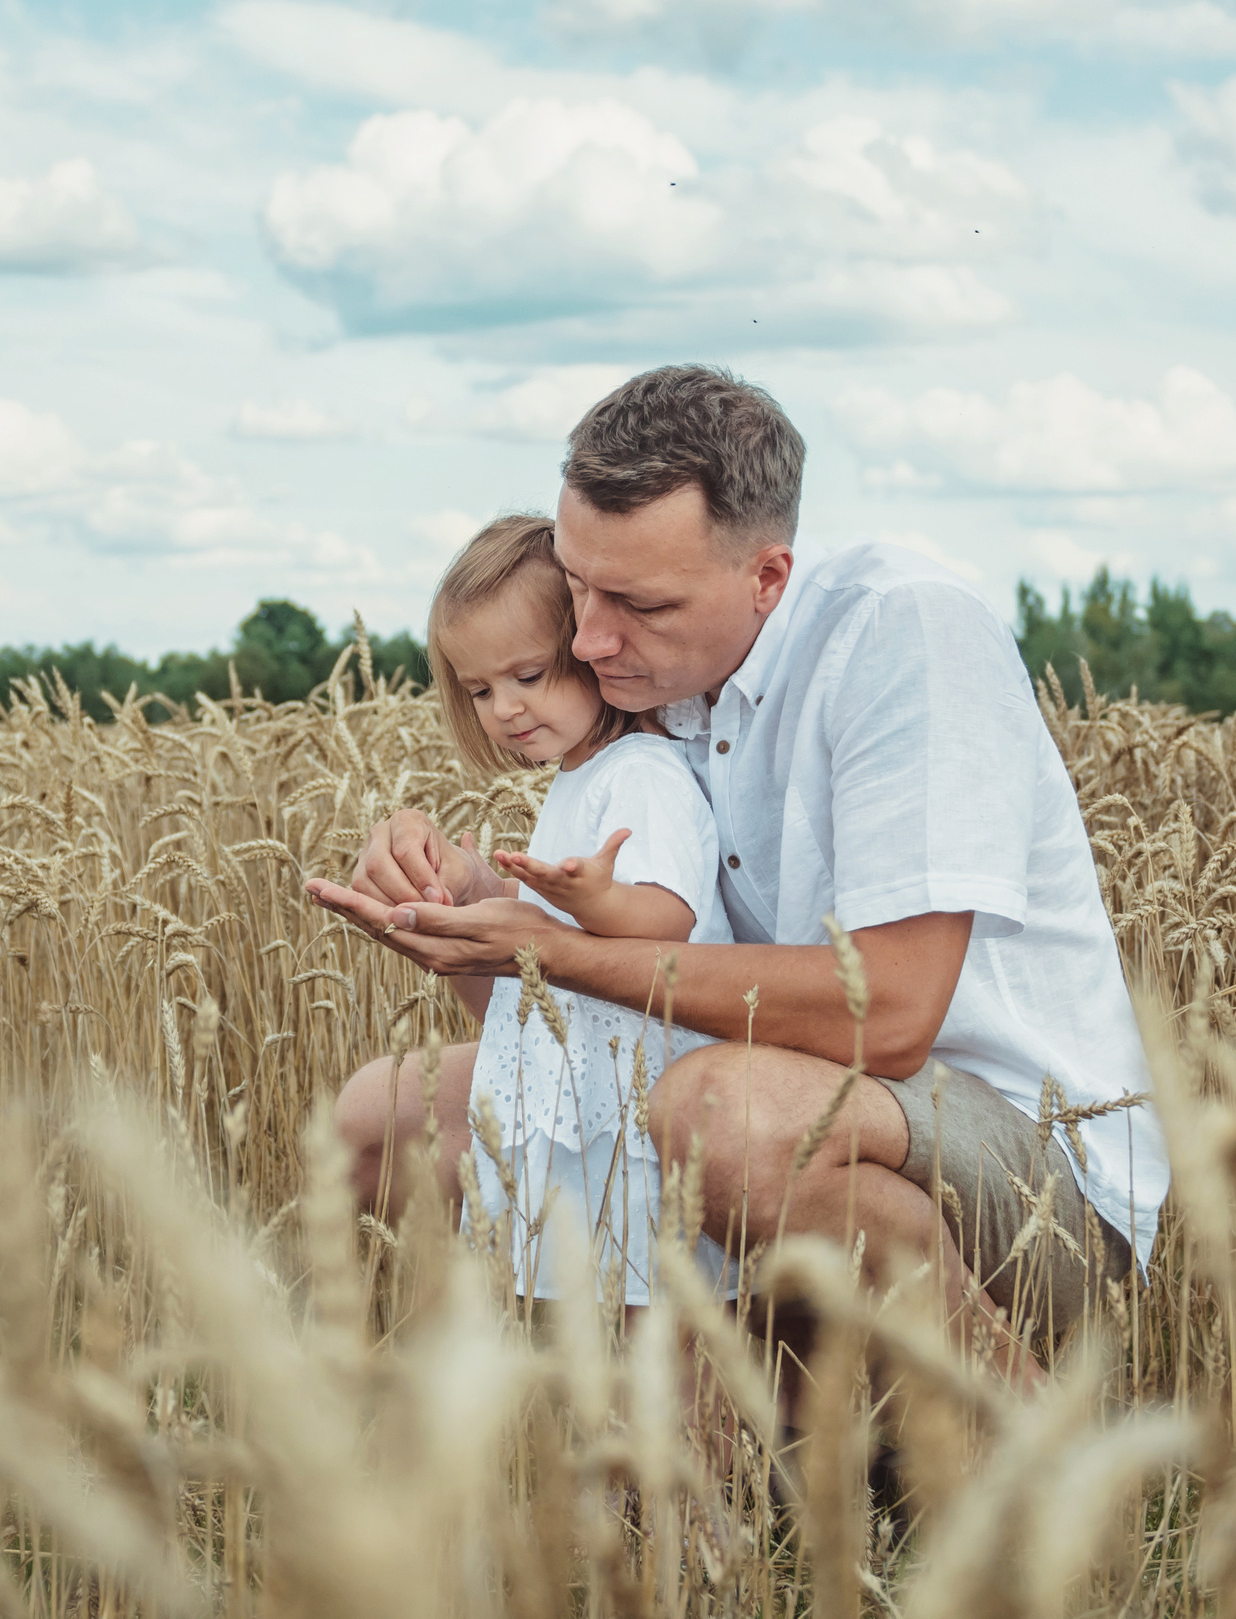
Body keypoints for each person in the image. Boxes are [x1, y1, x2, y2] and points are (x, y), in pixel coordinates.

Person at [308, 365, 1167, 1370]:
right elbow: (581, 1033)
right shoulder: (654, 690)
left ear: (766, 577)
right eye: (577, 585)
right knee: (383, 1118)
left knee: (718, 1116)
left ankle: (1009, 1431)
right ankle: (802, 1417)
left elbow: (888, 1015)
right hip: (779, 1118)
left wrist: (551, 948)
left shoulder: (901, 633)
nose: (588, 638)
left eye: (639, 602)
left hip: (1028, 1172)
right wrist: (463, 912)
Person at [410, 512, 735, 1307]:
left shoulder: (642, 771)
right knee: (598, 1307)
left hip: (636, 1102)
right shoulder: (579, 776)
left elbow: (668, 921)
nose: (504, 708)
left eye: (528, 674)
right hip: (589, 1096)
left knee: (665, 1312)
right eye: (480, 690)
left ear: (589, 646)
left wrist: (598, 901)